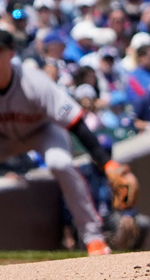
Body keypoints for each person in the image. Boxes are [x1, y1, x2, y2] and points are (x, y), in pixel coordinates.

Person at [0, 30, 134, 256]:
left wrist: (106, 163)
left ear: (11, 53)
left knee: (60, 163)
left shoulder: (33, 81)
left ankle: (94, 239)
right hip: (4, 139)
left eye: (0, 51)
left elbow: (75, 123)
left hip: (42, 131)